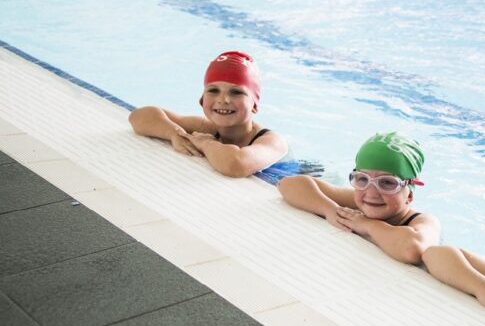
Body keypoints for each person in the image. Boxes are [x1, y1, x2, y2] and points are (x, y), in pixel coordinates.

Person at [277, 132, 440, 264]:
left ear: (409, 194)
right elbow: (288, 184)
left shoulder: (423, 221)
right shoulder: (358, 202)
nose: (371, 193)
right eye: (362, 179)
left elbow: (412, 249)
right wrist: (329, 209)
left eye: (387, 183)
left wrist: (367, 224)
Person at [128, 51, 288, 178]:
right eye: (213, 90)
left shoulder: (272, 141)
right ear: (202, 100)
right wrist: (173, 134)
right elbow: (139, 116)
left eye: (236, 92)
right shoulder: (206, 127)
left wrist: (206, 144)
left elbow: (235, 164)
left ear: (254, 104)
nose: (223, 99)